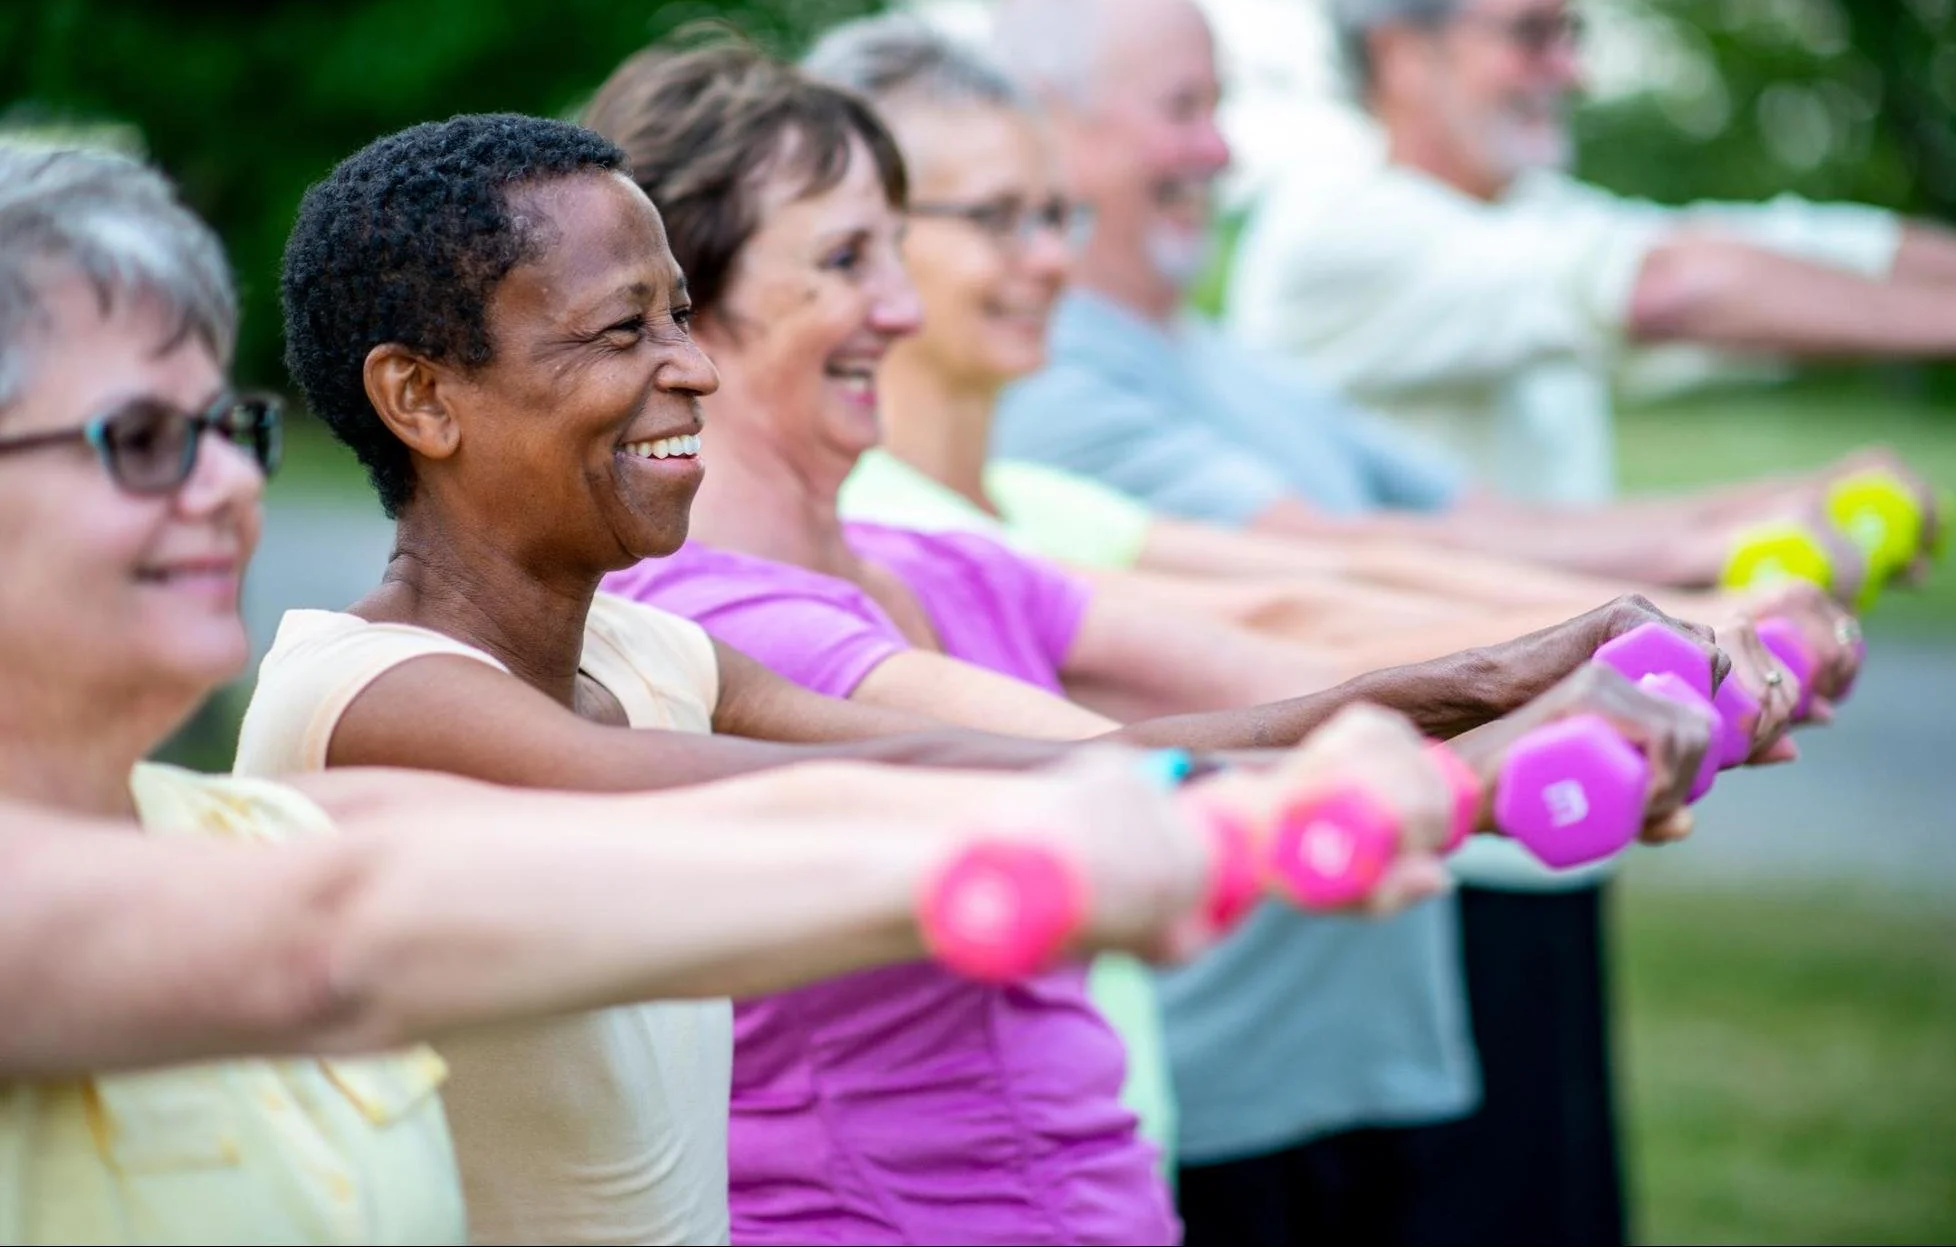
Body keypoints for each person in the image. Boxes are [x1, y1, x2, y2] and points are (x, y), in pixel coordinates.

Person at [251, 109, 1622, 1246]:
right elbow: (810, 793)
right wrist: (1273, 794)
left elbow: (993, 750)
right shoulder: (380, 694)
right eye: (622, 331)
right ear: (421, 397)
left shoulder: (641, 647)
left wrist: (1468, 691)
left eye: (681, 314)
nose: (691, 367)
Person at [0, 140, 1277, 1244]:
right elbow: (370, 924)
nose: (228, 484)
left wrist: (1416, 715)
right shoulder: (369, 720)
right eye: (144, 441)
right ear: (422, 398)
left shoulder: (268, 830)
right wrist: (1111, 819)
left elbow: (914, 767)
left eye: (229, 430)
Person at [580, 38, 1739, 1246]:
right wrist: (1485, 773)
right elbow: (1115, 774)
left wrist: (1575, 664)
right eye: (844, 261)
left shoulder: (941, 563)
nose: (903, 307)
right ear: (684, 312)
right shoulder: (710, 614)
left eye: (893, 249)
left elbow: (1290, 664)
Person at [979, 0, 1863, 1246]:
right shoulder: (1047, 393)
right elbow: (1317, 579)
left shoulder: (1220, 356)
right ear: (1042, 126)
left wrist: (1731, 539)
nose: (1218, 149)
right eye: (1180, 106)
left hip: (1379, 1037)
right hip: (1222, 1073)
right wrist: (1665, 621)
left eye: (1219, 103)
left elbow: (1471, 528)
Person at [803, 12, 1862, 691]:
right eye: (998, 219)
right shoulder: (882, 525)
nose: (1048, 260)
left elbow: (1353, 565)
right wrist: (1665, 628)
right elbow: (1278, 615)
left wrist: (1694, 605)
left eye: (1055, 217)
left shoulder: (1032, 492)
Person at [1228, 0, 1956, 507]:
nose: (1572, 70)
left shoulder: (1526, 213)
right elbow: (1668, 288)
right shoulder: (1334, 226)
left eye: (1570, 31)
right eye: (1530, 33)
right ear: (1402, 54)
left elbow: (1786, 246)